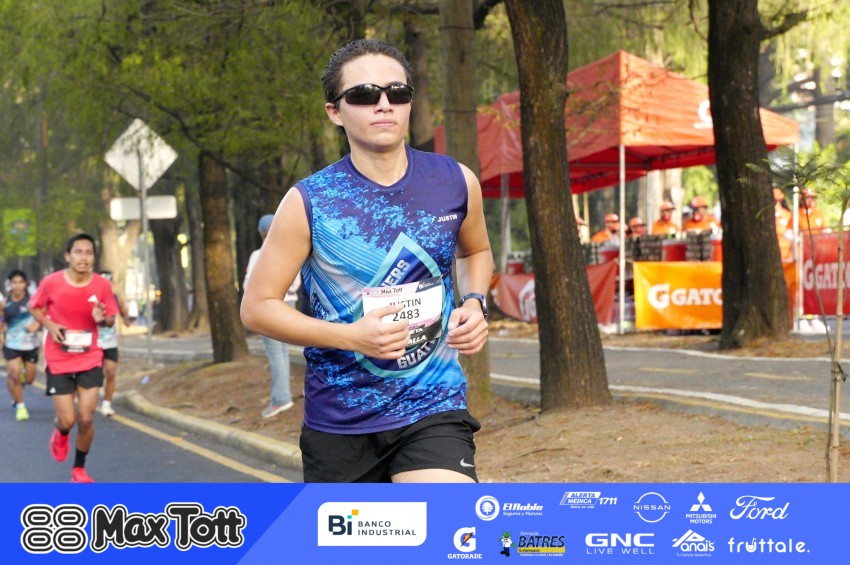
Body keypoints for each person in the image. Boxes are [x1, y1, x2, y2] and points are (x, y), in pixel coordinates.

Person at [241, 39, 493, 483]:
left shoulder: (455, 180)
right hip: (342, 420)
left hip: (433, 406)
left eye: (397, 92)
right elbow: (257, 308)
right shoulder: (309, 201)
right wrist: (351, 337)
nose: (384, 104)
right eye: (363, 94)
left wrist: (474, 301)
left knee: (443, 521)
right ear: (335, 112)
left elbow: (475, 251)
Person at [28, 234, 118, 483]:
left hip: (90, 356)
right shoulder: (51, 282)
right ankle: (61, 431)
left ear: (94, 258)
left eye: (89, 253)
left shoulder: (101, 285)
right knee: (68, 419)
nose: (83, 258)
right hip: (59, 357)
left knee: (86, 418)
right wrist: (49, 324)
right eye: (78, 252)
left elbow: (111, 318)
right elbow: (34, 306)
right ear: (68, 256)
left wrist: (102, 319)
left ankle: (78, 469)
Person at [244, 214, 301, 418]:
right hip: (289, 303)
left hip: (269, 307)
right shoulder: (292, 252)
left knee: (275, 353)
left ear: (261, 233)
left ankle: (281, 399)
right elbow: (296, 282)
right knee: (283, 352)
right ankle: (283, 395)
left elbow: (249, 283)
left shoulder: (258, 255)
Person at [2, 270, 40, 421]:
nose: (17, 285)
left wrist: (37, 325)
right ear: (10, 284)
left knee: (29, 379)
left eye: (20, 282)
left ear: (25, 284)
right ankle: (20, 406)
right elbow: (1, 320)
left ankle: (16, 387)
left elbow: (43, 314)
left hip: (30, 344)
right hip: (11, 343)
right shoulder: (5, 302)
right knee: (14, 373)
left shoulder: (33, 300)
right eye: (14, 282)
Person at [96, 271, 131, 417]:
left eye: (109, 282)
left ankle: (106, 404)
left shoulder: (115, 298)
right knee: (96, 376)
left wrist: (126, 318)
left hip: (110, 342)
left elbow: (122, 310)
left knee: (110, 372)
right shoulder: (91, 298)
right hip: (93, 343)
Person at [773, 188, 794, 263]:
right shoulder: (765, 217)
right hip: (772, 256)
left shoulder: (788, 215)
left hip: (787, 257)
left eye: (775, 202)